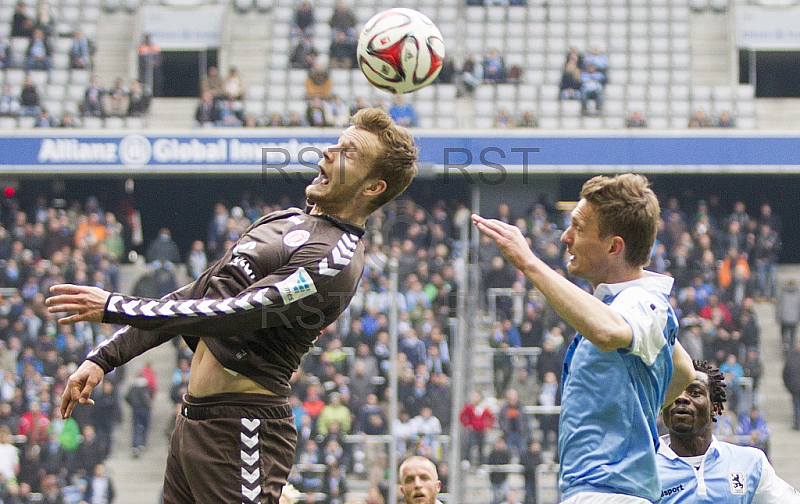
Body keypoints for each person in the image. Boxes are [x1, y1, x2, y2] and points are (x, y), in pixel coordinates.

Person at [46, 107, 419, 504]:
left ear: (373, 187)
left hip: (244, 425)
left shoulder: (335, 259)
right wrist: (104, 357)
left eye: (349, 152)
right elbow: (195, 297)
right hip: (193, 423)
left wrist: (115, 305)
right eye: (336, 143)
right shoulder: (281, 221)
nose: (328, 152)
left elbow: (236, 313)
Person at [473, 173, 694, 504]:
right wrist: (633, 413)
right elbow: (684, 371)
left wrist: (529, 263)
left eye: (578, 227)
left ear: (613, 246)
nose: (565, 237)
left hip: (609, 494)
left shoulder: (642, 303)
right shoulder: (629, 306)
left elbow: (608, 332)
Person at [658, 360, 799, 502]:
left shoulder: (751, 463)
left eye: (695, 392)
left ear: (715, 407)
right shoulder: (643, 468)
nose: (681, 398)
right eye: (674, 392)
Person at [784, 342, 800, 431]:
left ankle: (797, 424)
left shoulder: (791, 360)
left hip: (794, 387)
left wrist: (789, 386)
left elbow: (785, 374)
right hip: (795, 386)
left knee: (796, 406)